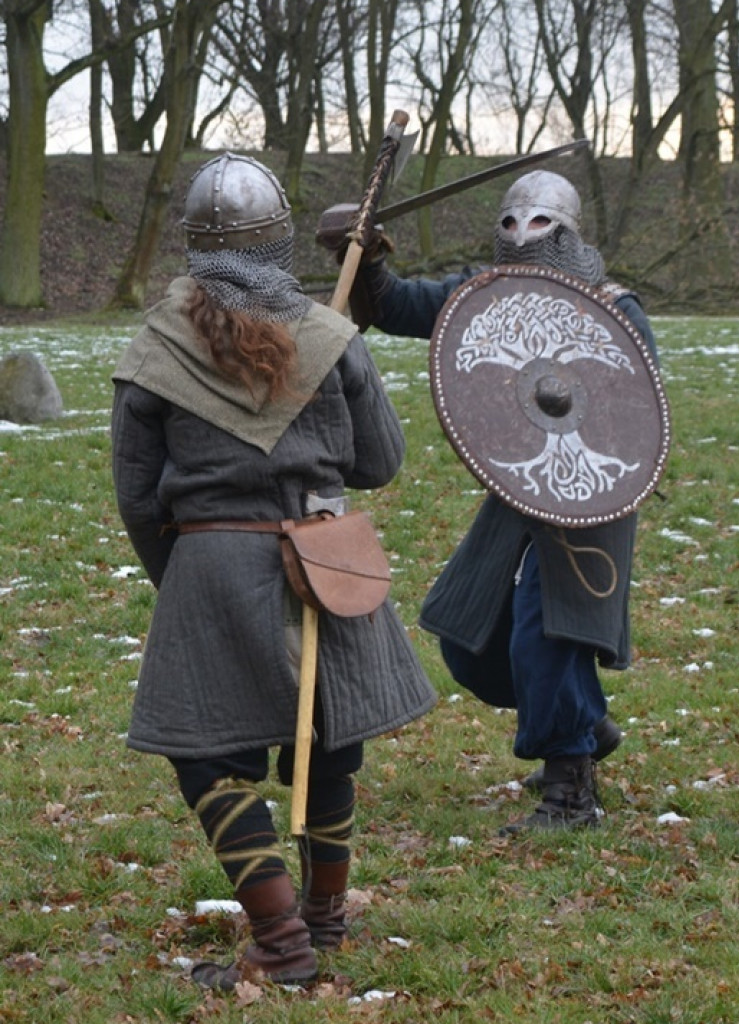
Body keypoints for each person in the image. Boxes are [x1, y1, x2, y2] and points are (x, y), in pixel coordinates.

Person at [111, 152, 437, 989]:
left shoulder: (156, 348)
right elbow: (381, 462)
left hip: (213, 563)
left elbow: (139, 499)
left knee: (209, 760)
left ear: (196, 246)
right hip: (323, 558)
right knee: (327, 749)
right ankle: (313, 930)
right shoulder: (330, 338)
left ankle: (291, 943)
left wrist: (182, 577)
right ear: (279, 240)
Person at [317, 169, 659, 832]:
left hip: (590, 492)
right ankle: (583, 724)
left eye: (539, 224)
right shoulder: (488, 294)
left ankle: (570, 790)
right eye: (511, 222)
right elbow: (396, 306)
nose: (522, 235)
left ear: (567, 233)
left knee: (547, 630)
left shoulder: (614, 307)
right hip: (520, 485)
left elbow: (633, 415)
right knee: (470, 638)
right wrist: (360, 258)